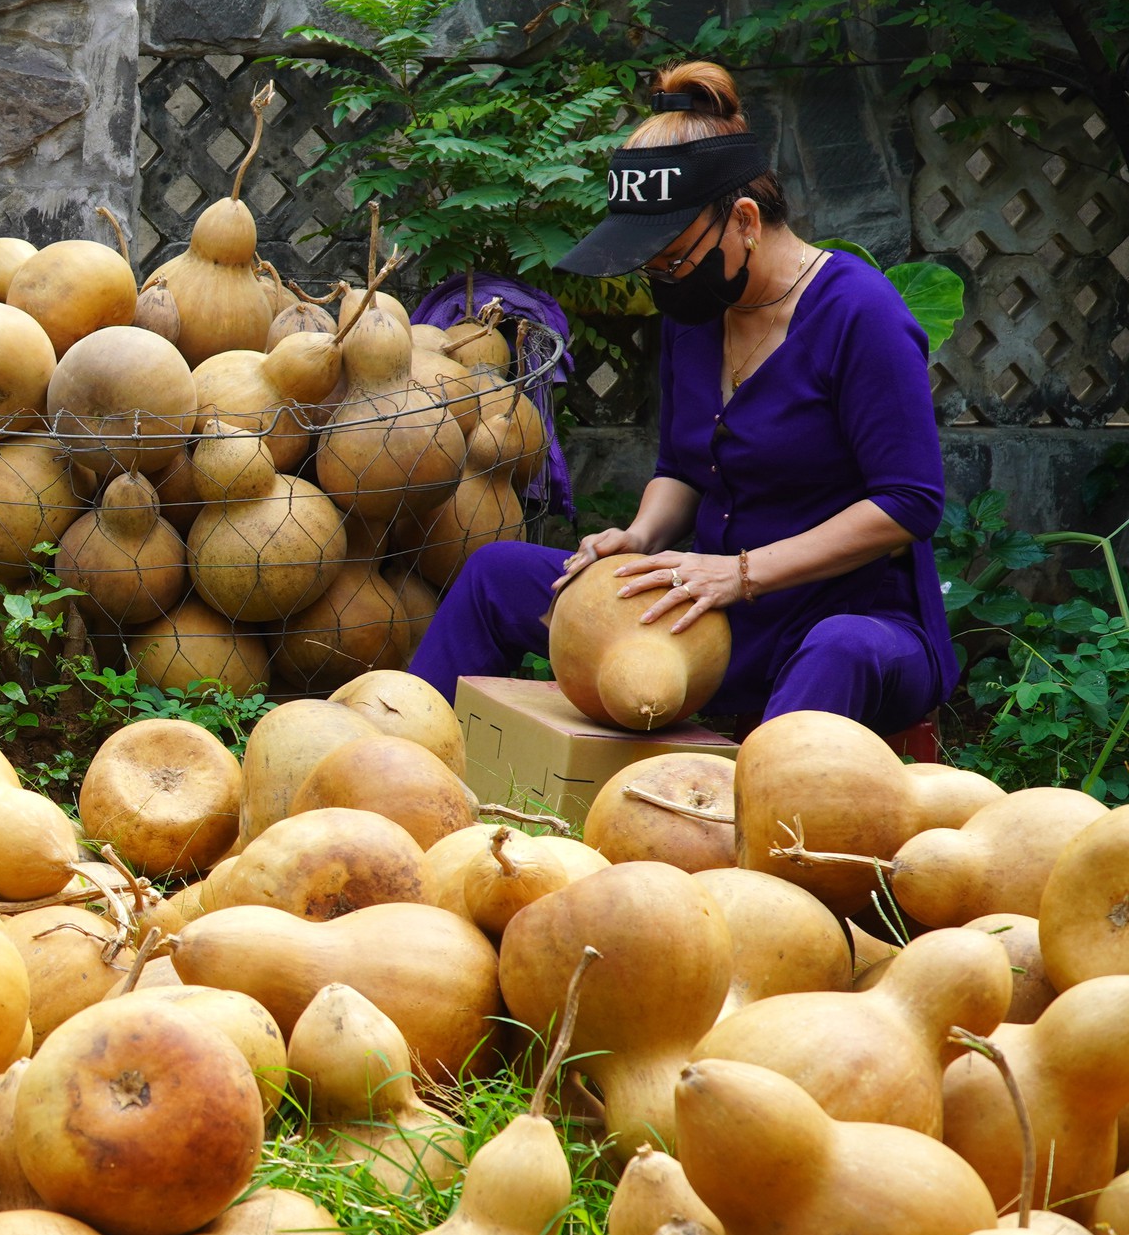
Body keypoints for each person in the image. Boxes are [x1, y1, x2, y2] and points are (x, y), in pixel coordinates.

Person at [409, 62, 958, 737]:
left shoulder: (860, 313)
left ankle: (738, 822)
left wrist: (744, 573)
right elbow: (681, 468)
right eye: (651, 266)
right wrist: (637, 539)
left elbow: (909, 502)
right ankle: (398, 757)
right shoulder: (699, 308)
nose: (661, 280)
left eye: (671, 258)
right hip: (711, 619)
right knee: (498, 573)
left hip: (845, 628)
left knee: (839, 647)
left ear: (746, 221)